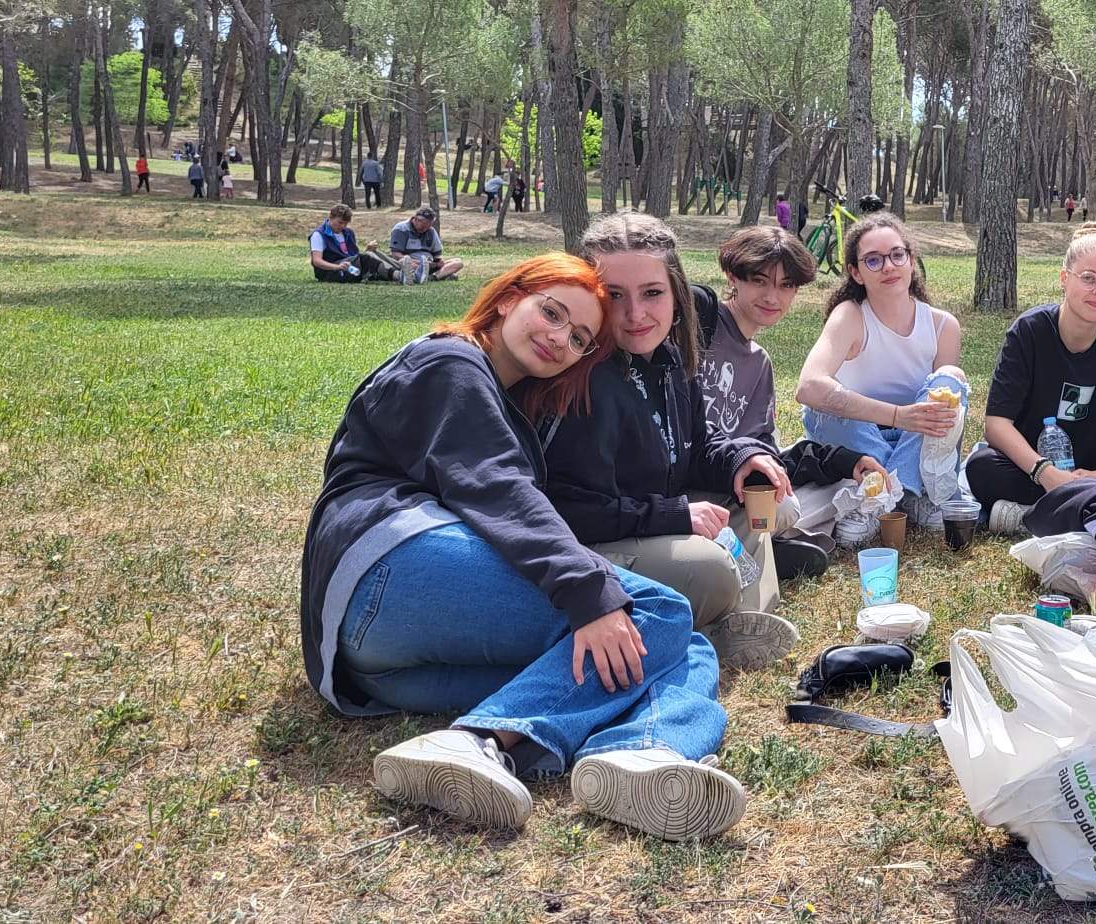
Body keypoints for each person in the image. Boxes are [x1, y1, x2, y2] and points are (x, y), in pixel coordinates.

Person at [300, 252, 748, 839]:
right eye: (552, 312)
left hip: (385, 663)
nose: (559, 337)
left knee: (679, 650)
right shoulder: (448, 362)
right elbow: (499, 491)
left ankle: (645, 756)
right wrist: (591, 593)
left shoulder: (504, 396)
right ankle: (479, 741)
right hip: (388, 568)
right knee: (657, 611)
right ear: (511, 296)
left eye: (580, 336)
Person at [542, 212, 804, 670]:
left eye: (652, 293)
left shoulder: (668, 356)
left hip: (650, 519)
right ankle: (712, 628)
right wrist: (676, 514)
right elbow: (565, 512)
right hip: (590, 548)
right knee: (708, 569)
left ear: (675, 292)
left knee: (755, 497)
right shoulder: (581, 379)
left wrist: (743, 458)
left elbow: (699, 446)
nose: (635, 314)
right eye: (613, 295)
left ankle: (741, 622)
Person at [699, 225, 890, 560]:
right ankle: (753, 547)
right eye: (759, 280)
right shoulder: (699, 325)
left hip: (732, 484)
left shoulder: (759, 364)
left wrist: (845, 461)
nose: (773, 297)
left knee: (843, 488)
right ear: (732, 276)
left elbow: (766, 454)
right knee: (785, 509)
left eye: (786, 285)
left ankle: (752, 544)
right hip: (685, 485)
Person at [968, 223, 1096, 533]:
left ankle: (1031, 516)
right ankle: (1085, 511)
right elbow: (996, 425)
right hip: (1034, 468)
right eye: (1088, 278)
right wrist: (1045, 473)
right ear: (1064, 278)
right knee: (981, 467)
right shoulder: (1029, 332)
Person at [796, 212, 969, 524]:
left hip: (915, 443)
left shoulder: (943, 326)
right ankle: (911, 495)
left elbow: (943, 422)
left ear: (911, 261)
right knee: (822, 407)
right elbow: (808, 386)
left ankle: (885, 496)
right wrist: (897, 415)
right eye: (873, 260)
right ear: (856, 273)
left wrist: (910, 423)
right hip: (859, 438)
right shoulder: (849, 315)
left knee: (952, 381)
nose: (888, 266)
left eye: (897, 255)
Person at [309, 204, 406, 283]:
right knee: (367, 258)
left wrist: (367, 250)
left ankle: (403, 269)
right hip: (330, 271)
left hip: (349, 267)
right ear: (330, 217)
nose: (342, 226)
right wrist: (337, 267)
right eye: (340, 222)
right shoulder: (319, 235)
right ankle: (398, 275)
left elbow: (354, 257)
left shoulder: (348, 233)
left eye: (345, 224)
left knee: (372, 253)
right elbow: (316, 261)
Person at [390, 206, 466, 284]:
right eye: (424, 225)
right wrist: (412, 261)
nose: (426, 228)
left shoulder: (431, 231)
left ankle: (431, 277)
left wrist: (439, 262)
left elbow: (437, 255)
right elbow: (395, 254)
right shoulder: (401, 229)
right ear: (416, 219)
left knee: (458, 262)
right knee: (411, 264)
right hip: (411, 264)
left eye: (429, 225)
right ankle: (440, 275)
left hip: (429, 264)